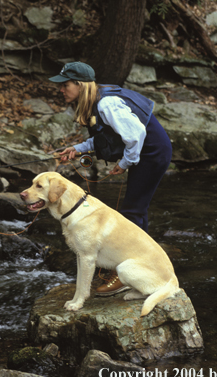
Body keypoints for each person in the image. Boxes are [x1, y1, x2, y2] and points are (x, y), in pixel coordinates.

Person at [49, 61, 173, 296]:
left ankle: (126, 274)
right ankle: (133, 263)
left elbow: (136, 136)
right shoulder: (96, 100)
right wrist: (77, 149)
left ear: (80, 84)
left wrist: (124, 163)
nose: (62, 90)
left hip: (152, 152)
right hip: (144, 152)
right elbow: (107, 137)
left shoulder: (107, 103)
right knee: (136, 209)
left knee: (133, 211)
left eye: (65, 85)